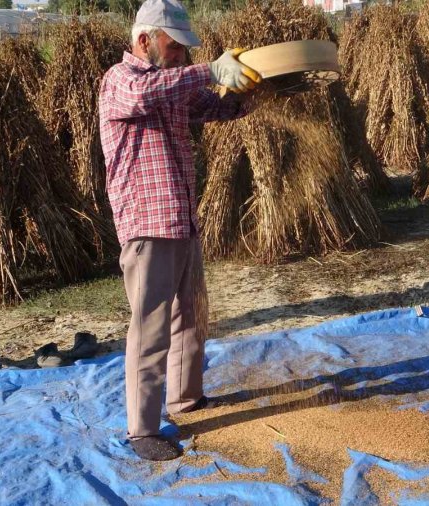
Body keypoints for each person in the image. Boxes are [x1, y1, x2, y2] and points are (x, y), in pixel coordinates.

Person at [98, 0, 261, 461]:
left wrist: (253, 87)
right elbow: (146, 95)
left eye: (188, 50)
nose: (182, 56)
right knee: (150, 329)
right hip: (146, 224)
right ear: (145, 40)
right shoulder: (119, 81)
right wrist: (212, 68)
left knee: (190, 316)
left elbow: (216, 108)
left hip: (181, 217)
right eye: (175, 46)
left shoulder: (172, 83)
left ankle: (186, 398)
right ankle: (141, 428)